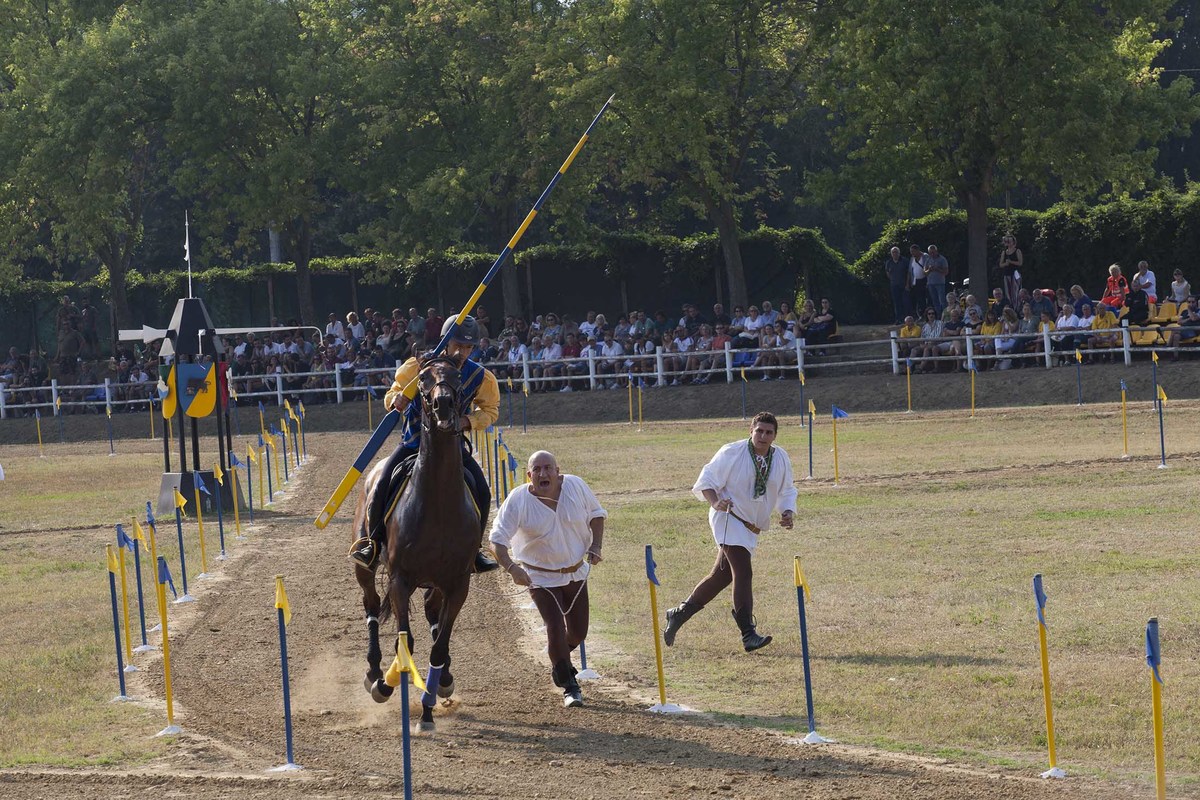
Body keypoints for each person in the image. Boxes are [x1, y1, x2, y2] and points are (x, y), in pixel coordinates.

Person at [350, 316, 500, 573]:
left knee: (483, 491)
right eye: (457, 344)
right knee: (382, 485)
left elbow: (490, 411)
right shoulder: (415, 368)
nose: (461, 352)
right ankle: (373, 543)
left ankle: (474, 550)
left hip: (452, 449)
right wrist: (395, 400)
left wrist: (467, 420)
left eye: (468, 347)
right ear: (445, 341)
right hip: (412, 444)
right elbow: (392, 393)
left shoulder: (479, 376)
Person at [662, 412, 797, 652]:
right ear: (751, 430)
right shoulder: (731, 452)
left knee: (722, 576)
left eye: (768, 432)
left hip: (751, 526)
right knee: (743, 571)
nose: (763, 436)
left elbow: (786, 490)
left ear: (775, 436)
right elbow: (707, 481)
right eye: (759, 431)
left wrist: (787, 512)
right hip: (728, 518)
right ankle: (748, 634)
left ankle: (679, 614)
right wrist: (715, 502)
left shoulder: (781, 457)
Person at [491, 451, 606, 708]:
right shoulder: (518, 500)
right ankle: (570, 686)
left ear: (558, 471)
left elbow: (597, 514)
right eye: (537, 470)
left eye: (548, 468)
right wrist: (511, 568)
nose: (543, 474)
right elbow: (496, 540)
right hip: (540, 576)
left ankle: (558, 661)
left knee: (577, 632)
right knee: (554, 626)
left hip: (576, 572)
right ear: (529, 475)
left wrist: (596, 546)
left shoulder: (575, 485)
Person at [884, 246, 909, 324]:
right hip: (894, 285)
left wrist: (907, 284)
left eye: (896, 252)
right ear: (891, 254)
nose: (895, 254)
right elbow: (888, 273)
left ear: (899, 252)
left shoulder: (904, 261)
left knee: (906, 302)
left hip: (904, 285)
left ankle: (908, 319)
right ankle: (898, 319)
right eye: (893, 252)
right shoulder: (889, 262)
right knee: (896, 303)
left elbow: (909, 273)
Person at [924, 245, 949, 317]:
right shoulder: (928, 260)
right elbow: (925, 273)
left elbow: (946, 272)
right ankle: (938, 316)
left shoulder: (942, 259)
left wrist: (937, 269)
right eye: (930, 253)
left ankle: (945, 316)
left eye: (933, 252)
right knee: (935, 301)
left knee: (942, 301)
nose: (932, 254)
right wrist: (929, 270)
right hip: (930, 283)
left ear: (936, 251)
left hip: (940, 283)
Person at [998, 235, 1023, 304]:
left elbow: (1020, 263)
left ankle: (1017, 307)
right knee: (1008, 292)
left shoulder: (1017, 251)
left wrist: (1011, 262)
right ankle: (1010, 306)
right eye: (1006, 241)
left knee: (1016, 292)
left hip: (1015, 274)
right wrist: (1005, 264)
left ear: (1013, 242)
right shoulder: (1004, 252)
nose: (1008, 243)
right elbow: (1001, 264)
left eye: (1009, 241)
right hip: (1007, 274)